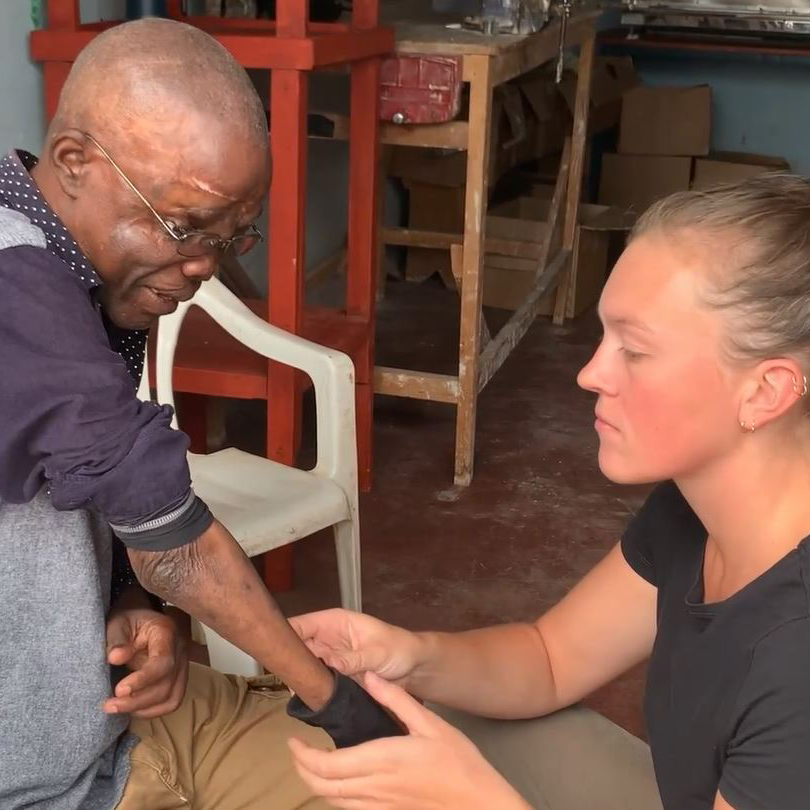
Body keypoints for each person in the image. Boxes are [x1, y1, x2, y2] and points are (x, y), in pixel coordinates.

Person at [289, 174, 810, 810]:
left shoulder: (797, 655)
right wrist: (408, 655)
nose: (590, 373)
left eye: (636, 351)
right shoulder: (696, 507)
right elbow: (552, 659)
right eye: (604, 338)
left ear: (765, 391)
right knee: (454, 730)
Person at [0, 17, 395, 810]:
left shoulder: (71, 266)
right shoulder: (15, 286)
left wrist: (134, 607)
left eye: (231, 236)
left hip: (121, 733)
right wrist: (346, 710)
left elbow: (108, 508)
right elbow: (176, 546)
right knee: (389, 760)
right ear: (75, 163)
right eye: (185, 227)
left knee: (419, 788)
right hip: (46, 787)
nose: (204, 268)